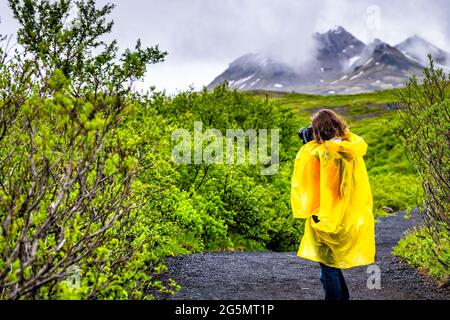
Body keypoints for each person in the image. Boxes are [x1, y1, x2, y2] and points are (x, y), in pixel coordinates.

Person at [291, 109, 375, 300]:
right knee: (331, 265)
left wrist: (308, 144)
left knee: (327, 268)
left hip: (327, 215)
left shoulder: (323, 153)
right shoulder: (349, 147)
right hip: (347, 215)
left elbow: (309, 183)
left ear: (318, 130)